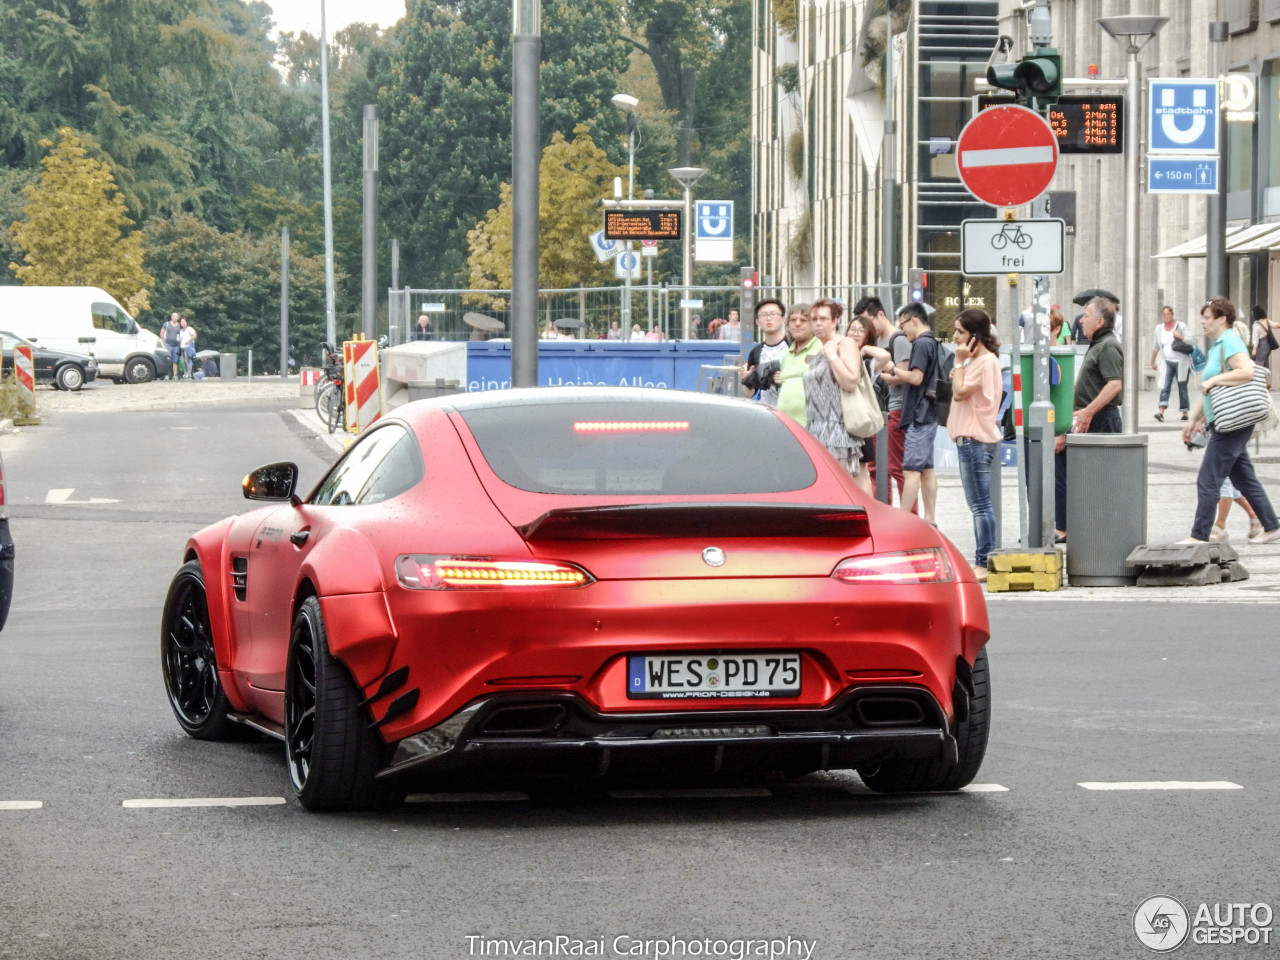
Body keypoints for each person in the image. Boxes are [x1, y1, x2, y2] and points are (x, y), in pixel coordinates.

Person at [1179, 297, 1280, 544]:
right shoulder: (1218, 346)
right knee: (1243, 477)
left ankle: (1199, 535)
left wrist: (1212, 381)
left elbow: (1246, 371)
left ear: (1222, 319)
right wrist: (1193, 420)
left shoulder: (1230, 341)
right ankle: (1272, 525)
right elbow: (1208, 391)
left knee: (1208, 478)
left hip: (1232, 423)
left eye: (1207, 317)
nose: (1202, 322)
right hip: (1222, 421)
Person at [1054, 297, 1124, 542]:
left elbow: (1115, 384)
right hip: (1093, 418)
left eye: (1086, 316)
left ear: (1100, 321)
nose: (1081, 320)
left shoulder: (1108, 346)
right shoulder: (1098, 344)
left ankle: (1097, 531)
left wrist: (1088, 411)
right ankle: (1075, 526)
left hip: (1102, 420)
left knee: (1100, 478)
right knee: (1080, 476)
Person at [948, 309, 1002, 581]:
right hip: (973, 439)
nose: (955, 336)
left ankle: (985, 560)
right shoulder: (979, 361)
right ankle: (984, 558)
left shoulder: (984, 362)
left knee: (980, 505)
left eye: (960, 331)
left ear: (975, 336)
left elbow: (958, 393)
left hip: (975, 440)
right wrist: (961, 365)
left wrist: (959, 362)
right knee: (979, 504)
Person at [857, 296, 912, 508]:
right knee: (875, 468)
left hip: (894, 409)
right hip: (876, 410)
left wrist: (878, 374)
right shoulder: (877, 342)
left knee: (895, 467)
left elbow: (905, 375)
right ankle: (883, 509)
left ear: (880, 315)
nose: (865, 328)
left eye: (867, 322)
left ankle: (909, 514)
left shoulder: (898, 340)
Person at [802, 298, 864, 483]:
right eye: (814, 319)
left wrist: (832, 356)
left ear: (835, 321)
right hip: (815, 428)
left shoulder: (844, 344)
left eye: (823, 318)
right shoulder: (820, 348)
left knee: (837, 488)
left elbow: (851, 381)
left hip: (837, 429)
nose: (818, 323)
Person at [893, 302, 941, 524]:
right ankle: (929, 518)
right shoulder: (932, 342)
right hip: (929, 413)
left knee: (911, 470)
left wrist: (894, 369)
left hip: (919, 415)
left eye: (903, 324)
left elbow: (916, 377)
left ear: (913, 320)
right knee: (926, 470)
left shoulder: (921, 344)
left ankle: (904, 520)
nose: (902, 330)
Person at [773, 304, 821, 426]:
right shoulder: (786, 355)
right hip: (786, 427)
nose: (797, 324)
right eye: (793, 320)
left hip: (814, 427)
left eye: (803, 320)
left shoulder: (822, 347)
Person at [741, 298, 788, 407]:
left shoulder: (793, 346)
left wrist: (786, 380)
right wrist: (747, 379)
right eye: (763, 315)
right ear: (757, 322)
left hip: (791, 414)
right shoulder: (755, 352)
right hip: (767, 414)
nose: (769, 318)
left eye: (774, 314)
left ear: (783, 319)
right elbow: (748, 394)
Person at [1149, 305, 1191, 421]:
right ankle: (1160, 412)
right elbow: (1156, 346)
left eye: (1168, 314)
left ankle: (1185, 412)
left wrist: (1180, 336)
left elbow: (1191, 340)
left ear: (1172, 315)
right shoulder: (1159, 328)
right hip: (1167, 362)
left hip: (1181, 362)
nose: (1166, 316)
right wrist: (1152, 361)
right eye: (1164, 314)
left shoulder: (1180, 326)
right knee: (1165, 386)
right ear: (1162, 316)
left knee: (1182, 387)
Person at [1251, 305, 1274, 384]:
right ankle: (1267, 382)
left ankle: (1260, 383)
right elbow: (1275, 325)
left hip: (1261, 346)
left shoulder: (1256, 324)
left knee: (1259, 364)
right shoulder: (1266, 321)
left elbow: (1255, 338)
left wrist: (1254, 349)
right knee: (1265, 364)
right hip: (1268, 346)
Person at [160, 312, 182, 380]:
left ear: (178, 318)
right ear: (171, 317)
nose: (175, 318)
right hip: (168, 345)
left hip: (176, 345)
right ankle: (167, 374)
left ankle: (175, 375)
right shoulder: (166, 324)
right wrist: (163, 341)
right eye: (174, 316)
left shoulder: (179, 325)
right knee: (168, 360)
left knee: (175, 361)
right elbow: (162, 333)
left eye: (176, 317)